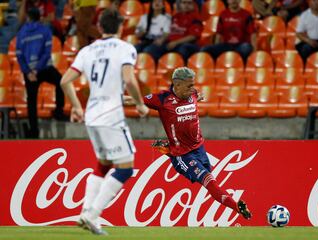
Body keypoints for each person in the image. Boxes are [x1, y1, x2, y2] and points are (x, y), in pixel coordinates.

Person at [60, 8, 149, 235]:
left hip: (92, 114)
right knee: (126, 169)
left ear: (99, 27)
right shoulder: (125, 48)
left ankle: (85, 211)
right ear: (120, 27)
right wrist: (139, 104)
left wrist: (77, 107)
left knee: (104, 164)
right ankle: (92, 214)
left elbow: (64, 81)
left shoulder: (87, 51)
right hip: (111, 116)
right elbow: (128, 78)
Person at [143, 67, 252, 220]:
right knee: (209, 181)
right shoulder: (162, 99)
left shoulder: (192, 94)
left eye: (193, 85)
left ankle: (169, 146)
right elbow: (134, 99)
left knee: (210, 181)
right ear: (177, 84)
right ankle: (237, 207)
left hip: (200, 148)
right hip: (183, 155)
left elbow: (196, 96)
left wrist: (198, 97)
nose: (192, 88)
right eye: (189, 85)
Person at [16, 7, 66, 139]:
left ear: (28, 18)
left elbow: (19, 55)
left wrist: (28, 72)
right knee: (61, 82)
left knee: (31, 101)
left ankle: (34, 131)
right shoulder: (45, 30)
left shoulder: (21, 33)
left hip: (29, 72)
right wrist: (37, 69)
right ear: (40, 18)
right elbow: (46, 52)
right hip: (44, 68)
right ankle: (58, 111)